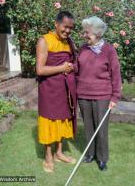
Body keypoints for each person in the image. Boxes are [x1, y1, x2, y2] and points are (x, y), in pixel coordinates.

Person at [76, 16, 122, 171]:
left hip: (102, 96)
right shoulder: (82, 49)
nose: (84, 35)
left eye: (87, 32)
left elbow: (116, 75)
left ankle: (102, 158)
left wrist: (115, 97)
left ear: (97, 33)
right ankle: (90, 154)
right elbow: (77, 70)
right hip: (83, 95)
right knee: (88, 127)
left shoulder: (109, 50)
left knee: (101, 130)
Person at [36, 11, 77, 173]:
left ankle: (59, 153)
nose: (67, 31)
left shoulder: (69, 42)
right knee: (49, 121)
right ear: (56, 24)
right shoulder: (44, 40)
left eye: (70, 28)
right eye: (65, 27)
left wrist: (72, 67)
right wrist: (62, 68)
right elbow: (40, 70)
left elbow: (72, 61)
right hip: (49, 89)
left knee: (62, 120)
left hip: (64, 89)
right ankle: (48, 156)